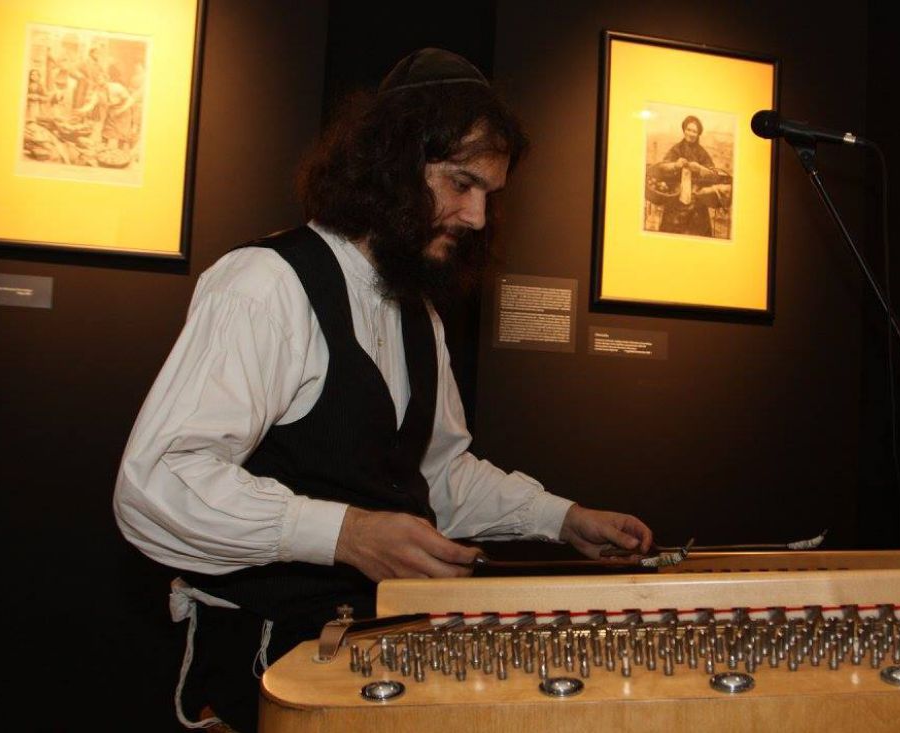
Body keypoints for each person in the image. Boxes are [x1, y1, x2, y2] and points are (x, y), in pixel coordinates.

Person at [113, 48, 652, 732]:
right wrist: (343, 532)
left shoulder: (417, 312)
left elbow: (437, 476)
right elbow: (157, 481)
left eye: (489, 194)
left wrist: (563, 519)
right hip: (266, 670)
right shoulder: (264, 285)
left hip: (370, 658)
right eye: (461, 183)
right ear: (390, 162)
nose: (477, 216)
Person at [646, 114, 732, 237]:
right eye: (689, 129)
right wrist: (675, 165)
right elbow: (661, 169)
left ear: (698, 134)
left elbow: (714, 175)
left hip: (697, 204)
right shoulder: (676, 150)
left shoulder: (702, 153)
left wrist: (700, 169)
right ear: (684, 130)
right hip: (675, 203)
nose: (691, 134)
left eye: (694, 131)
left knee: (699, 236)